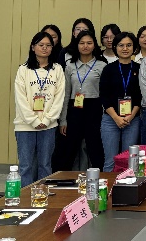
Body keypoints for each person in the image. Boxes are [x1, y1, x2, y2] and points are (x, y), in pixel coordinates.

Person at [13, 31, 65, 186]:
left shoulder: (57, 69)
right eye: (41, 45)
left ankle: (43, 196)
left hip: (49, 125)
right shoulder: (23, 70)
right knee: (26, 166)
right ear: (33, 47)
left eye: (48, 45)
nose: (44, 48)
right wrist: (34, 120)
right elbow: (20, 99)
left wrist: (48, 120)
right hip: (25, 125)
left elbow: (59, 98)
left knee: (45, 165)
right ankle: (25, 197)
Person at [54, 30, 107, 171]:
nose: (85, 46)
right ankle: (63, 178)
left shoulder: (102, 66)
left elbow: (104, 94)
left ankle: (100, 178)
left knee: (95, 147)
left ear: (94, 45)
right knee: (68, 148)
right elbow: (66, 94)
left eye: (89, 43)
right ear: (77, 45)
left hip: (94, 109)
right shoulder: (70, 66)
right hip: (74, 109)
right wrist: (63, 120)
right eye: (82, 43)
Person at [100, 32, 141, 172]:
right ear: (115, 47)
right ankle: (108, 186)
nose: (125, 48)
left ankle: (129, 186)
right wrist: (116, 118)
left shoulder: (139, 69)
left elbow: (140, 97)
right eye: (121, 45)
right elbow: (104, 96)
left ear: (134, 47)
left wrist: (131, 116)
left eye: (129, 45)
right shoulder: (108, 69)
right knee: (110, 161)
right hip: (111, 119)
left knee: (130, 161)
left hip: (132, 120)